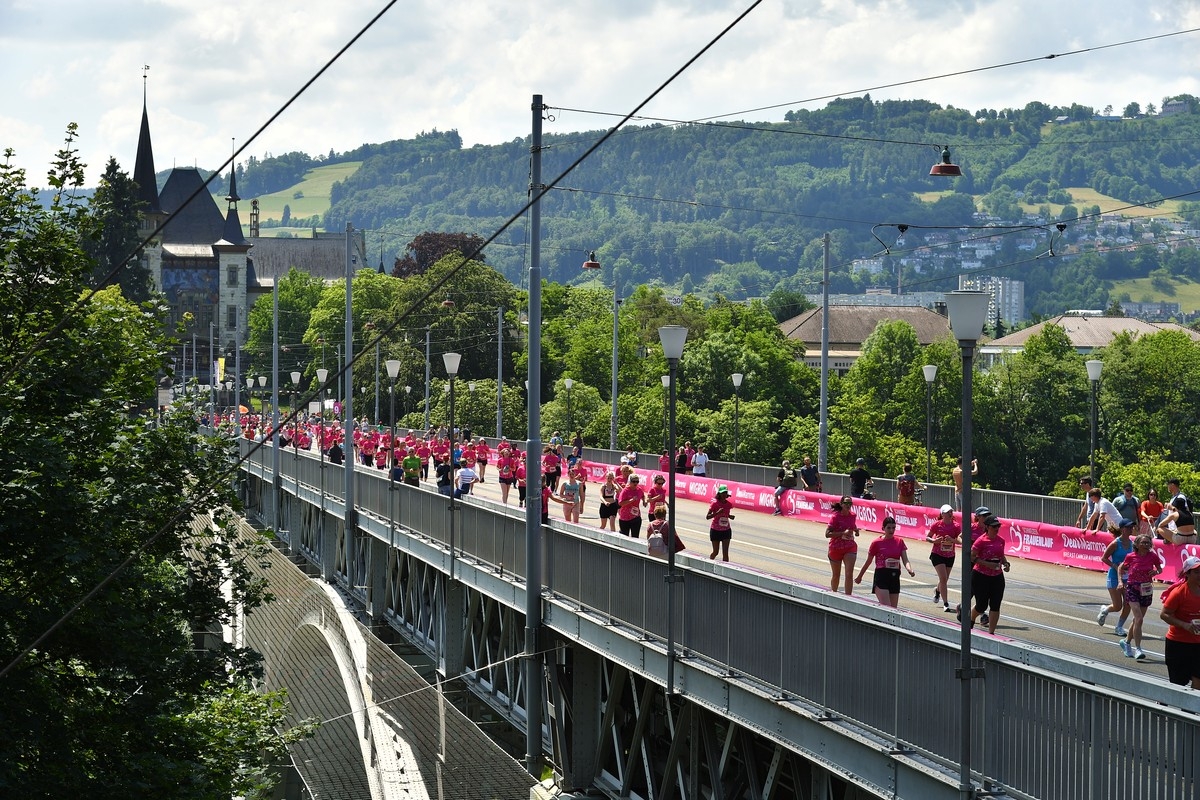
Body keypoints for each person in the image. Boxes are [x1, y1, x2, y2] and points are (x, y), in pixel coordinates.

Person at [1117, 534, 1163, 660]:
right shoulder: (1131, 556)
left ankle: (1126, 642)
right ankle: (1138, 649)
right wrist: (1121, 582)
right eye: (1143, 543)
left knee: (1137, 620)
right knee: (1139, 619)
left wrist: (1156, 572)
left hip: (1146, 589)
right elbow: (1121, 567)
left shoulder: (1152, 556)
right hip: (1132, 589)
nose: (1146, 545)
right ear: (1137, 544)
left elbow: (1160, 569)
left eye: (1148, 543)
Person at [855, 517, 915, 607]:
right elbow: (868, 561)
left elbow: (905, 559)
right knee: (886, 607)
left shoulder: (900, 542)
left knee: (894, 609)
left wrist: (909, 569)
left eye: (893, 528)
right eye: (889, 528)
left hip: (895, 576)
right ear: (883, 528)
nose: (891, 530)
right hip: (882, 576)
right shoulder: (876, 543)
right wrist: (860, 576)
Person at [1160, 556, 1200, 688]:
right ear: (1187, 573)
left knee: (1198, 680)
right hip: (1178, 644)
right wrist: (1185, 625)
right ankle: (1165, 703)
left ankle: (1190, 709)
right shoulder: (1179, 593)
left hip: (1198, 644)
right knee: (1179, 683)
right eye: (1196, 572)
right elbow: (1164, 614)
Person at [967, 515, 1011, 634]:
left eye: (998, 526)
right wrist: (986, 564)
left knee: (996, 604)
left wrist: (1006, 563)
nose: (997, 528)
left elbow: (1001, 556)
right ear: (987, 527)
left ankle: (991, 633)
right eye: (994, 526)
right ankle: (971, 617)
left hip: (997, 576)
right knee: (982, 605)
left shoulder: (1001, 540)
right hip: (980, 576)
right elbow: (971, 557)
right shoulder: (981, 541)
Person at [1097, 517, 1135, 636]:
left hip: (1127, 577)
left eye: (1132, 527)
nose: (1131, 529)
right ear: (1123, 529)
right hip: (1114, 576)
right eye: (1129, 527)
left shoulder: (1132, 544)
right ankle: (1105, 610)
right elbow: (1104, 558)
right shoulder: (1115, 543)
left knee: (1128, 603)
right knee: (1118, 606)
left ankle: (1119, 627)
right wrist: (1115, 566)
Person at [925, 504, 959, 612]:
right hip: (937, 554)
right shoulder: (937, 525)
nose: (950, 513)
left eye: (951, 512)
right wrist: (934, 541)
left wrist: (952, 540)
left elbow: (960, 540)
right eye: (947, 512)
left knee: (944, 579)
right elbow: (928, 537)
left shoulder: (956, 526)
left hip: (950, 555)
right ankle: (946, 603)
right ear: (942, 514)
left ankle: (938, 591)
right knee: (943, 579)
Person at [825, 496, 860, 594]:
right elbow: (827, 534)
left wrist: (856, 531)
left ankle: (848, 598)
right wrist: (842, 533)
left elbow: (852, 526)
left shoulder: (853, 515)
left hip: (850, 547)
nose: (848, 505)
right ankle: (834, 594)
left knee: (849, 574)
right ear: (841, 504)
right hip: (836, 548)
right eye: (846, 503)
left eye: (850, 503)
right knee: (836, 575)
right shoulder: (835, 517)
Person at [1157, 479, 1197, 545]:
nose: (1167, 487)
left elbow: (1181, 513)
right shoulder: (1174, 497)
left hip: (1178, 529)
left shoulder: (1181, 497)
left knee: (1160, 528)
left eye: (1168, 485)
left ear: (1172, 485)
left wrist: (1171, 508)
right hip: (1180, 530)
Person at [706, 485, 735, 561]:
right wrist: (717, 513)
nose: (724, 495)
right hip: (715, 530)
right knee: (716, 552)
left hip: (726, 530)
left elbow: (725, 514)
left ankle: (726, 571)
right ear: (719, 494)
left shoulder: (729, 504)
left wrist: (729, 516)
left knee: (725, 553)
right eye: (722, 493)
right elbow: (707, 516)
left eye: (725, 493)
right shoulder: (715, 504)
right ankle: (709, 564)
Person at [617, 474, 647, 538]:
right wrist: (631, 500)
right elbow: (620, 503)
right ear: (629, 482)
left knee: (635, 537)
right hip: (625, 518)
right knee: (624, 537)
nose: (635, 483)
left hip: (636, 517)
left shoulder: (639, 490)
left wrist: (644, 501)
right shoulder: (625, 491)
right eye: (633, 481)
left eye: (637, 481)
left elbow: (643, 495)